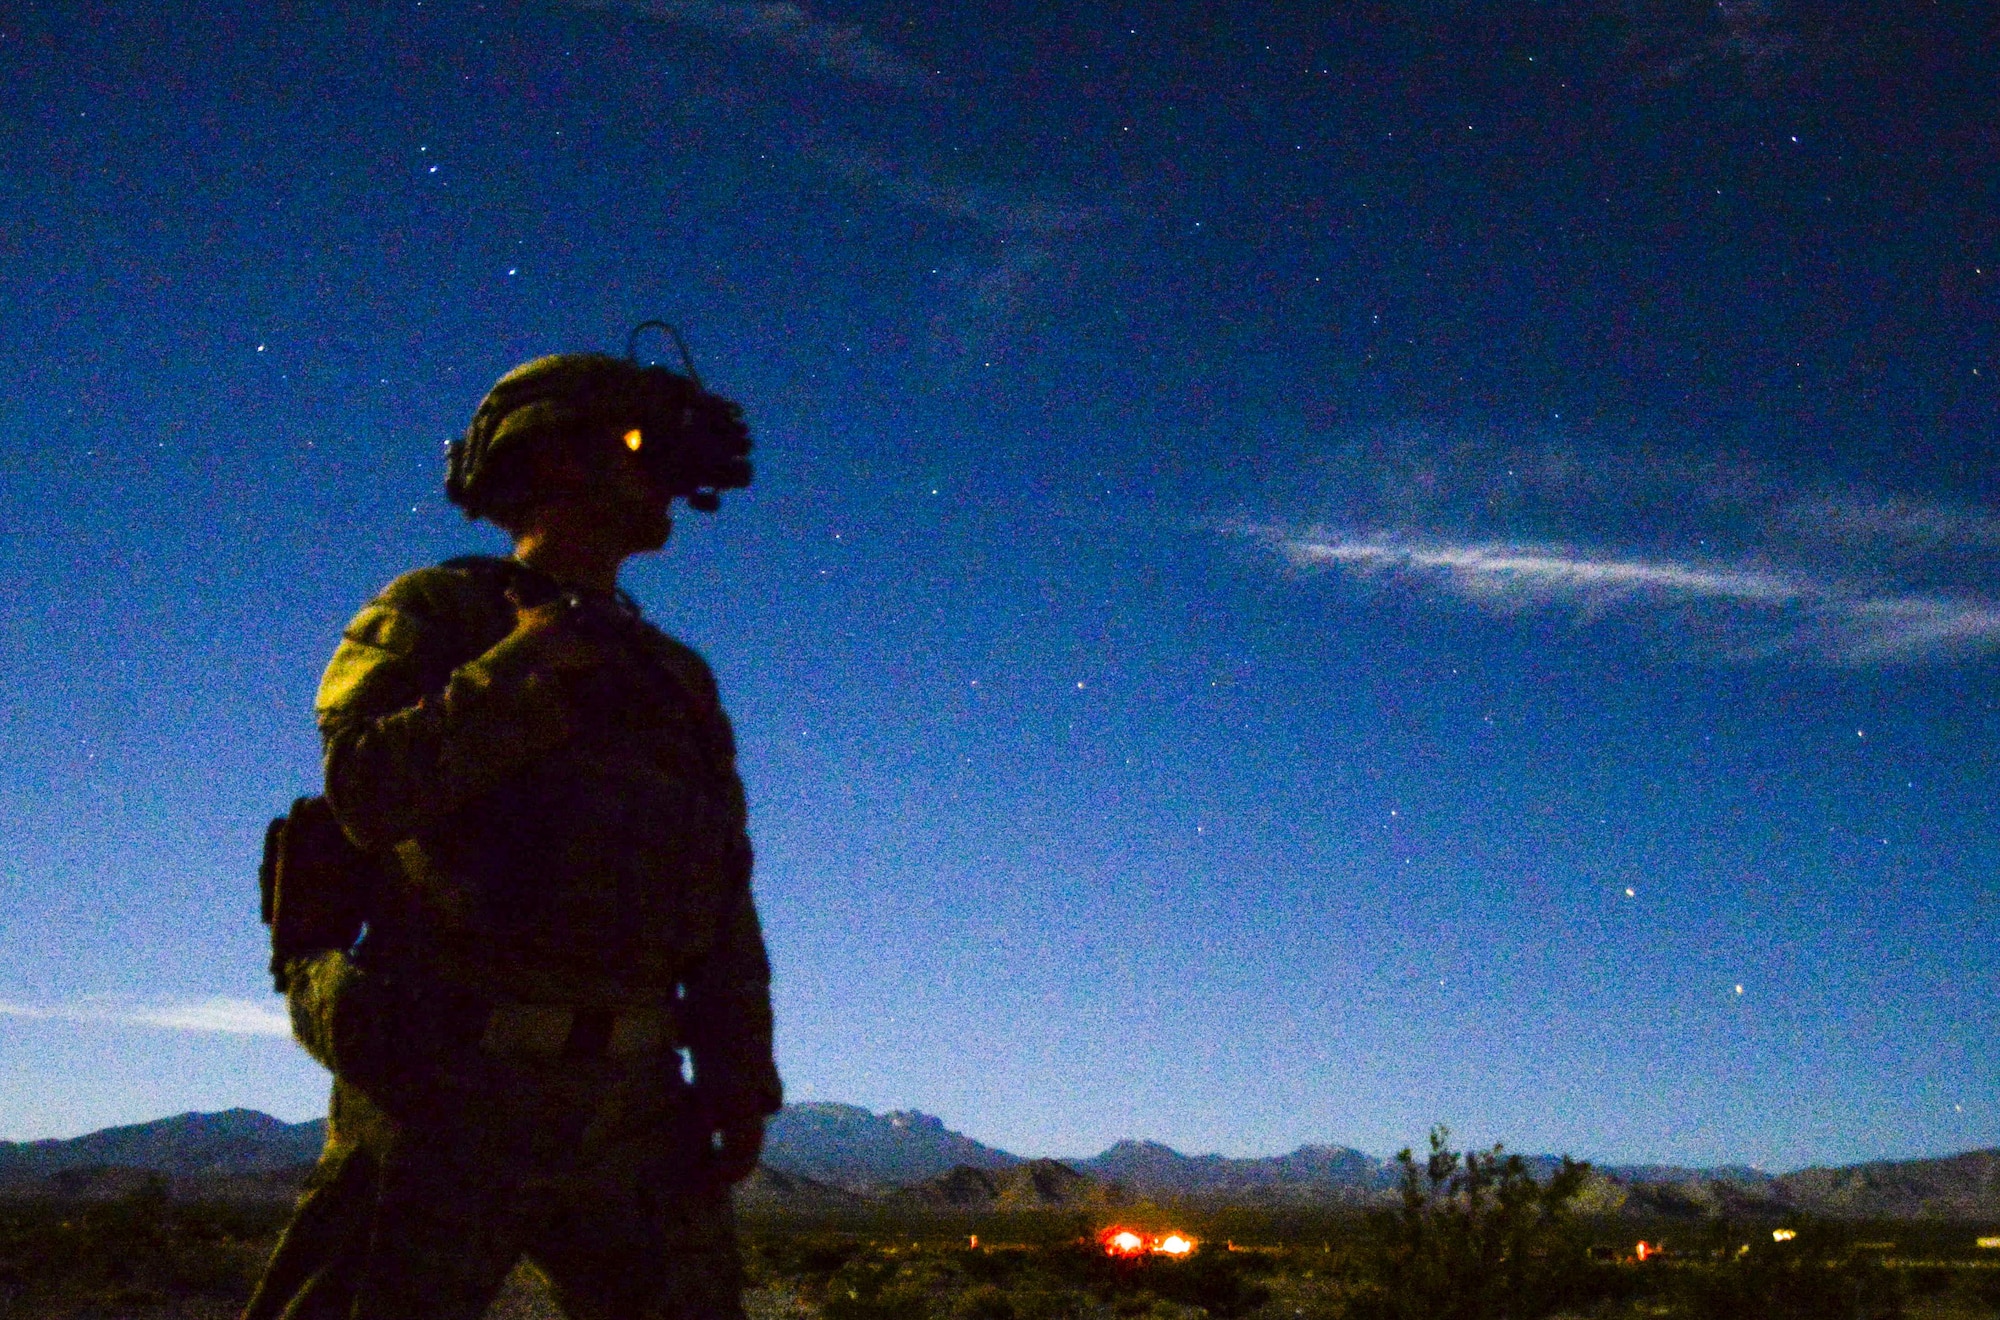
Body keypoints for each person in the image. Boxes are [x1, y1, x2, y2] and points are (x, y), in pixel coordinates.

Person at [243, 349, 779, 1320]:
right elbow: (365, 794)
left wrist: (739, 1075)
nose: (659, 476)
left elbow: (719, 896)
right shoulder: (435, 612)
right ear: (554, 458)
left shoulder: (673, 681)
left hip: (637, 1114)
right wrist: (522, 672)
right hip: (446, 1095)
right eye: (634, 447)